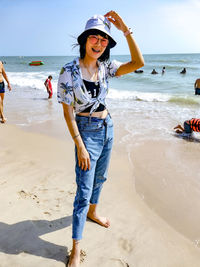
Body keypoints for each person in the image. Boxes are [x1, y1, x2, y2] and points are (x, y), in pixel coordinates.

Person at [57, 11, 144, 267]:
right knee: (83, 190)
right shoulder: (69, 72)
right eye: (94, 37)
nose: (98, 43)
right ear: (84, 39)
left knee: (101, 177)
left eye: (104, 39)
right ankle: (76, 248)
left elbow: (139, 62)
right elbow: (68, 113)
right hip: (86, 131)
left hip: (108, 127)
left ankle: (93, 213)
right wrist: (80, 146)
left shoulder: (107, 67)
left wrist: (125, 28)